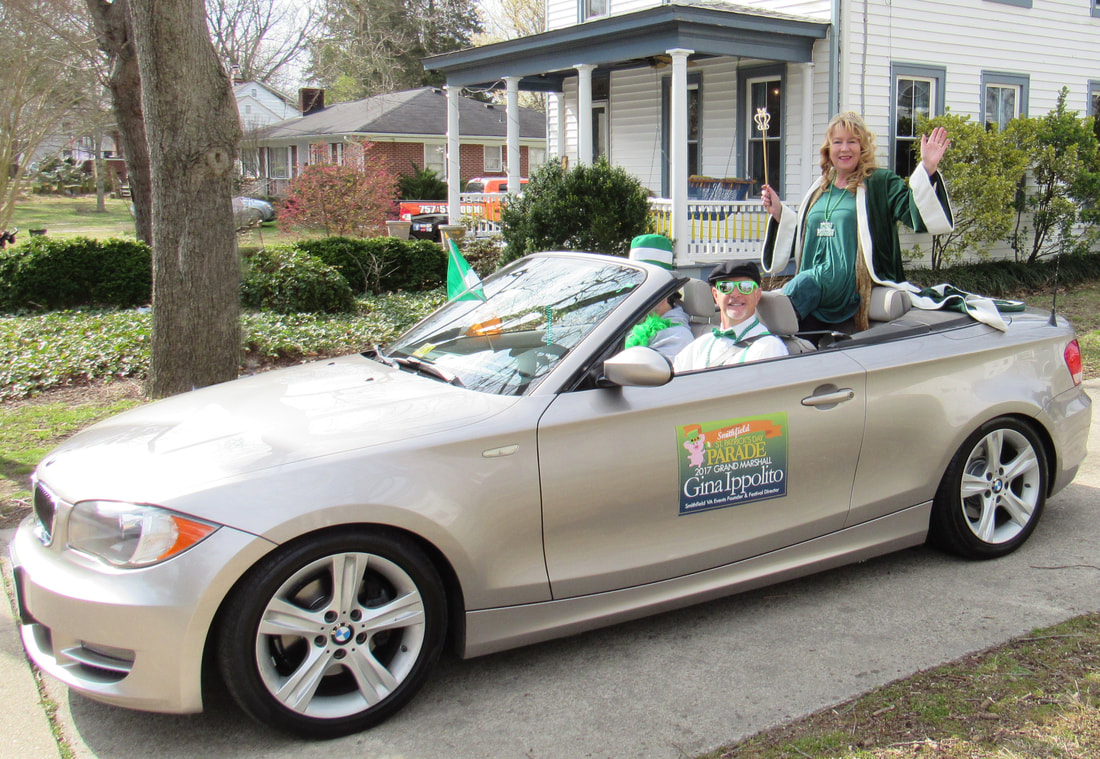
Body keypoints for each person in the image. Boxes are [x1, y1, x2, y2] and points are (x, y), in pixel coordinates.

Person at [759, 112, 953, 332]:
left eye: (852, 141)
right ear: (828, 149)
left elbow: (914, 212)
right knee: (790, 299)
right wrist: (779, 214)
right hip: (814, 279)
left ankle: (768, 332)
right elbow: (808, 236)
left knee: (803, 285)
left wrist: (927, 169)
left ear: (863, 147)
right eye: (838, 142)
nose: (844, 149)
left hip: (851, 281)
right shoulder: (820, 188)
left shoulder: (881, 183)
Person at [673, 261, 788, 372]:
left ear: (757, 295)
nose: (735, 294)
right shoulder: (699, 346)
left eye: (745, 287)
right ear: (716, 296)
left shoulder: (769, 348)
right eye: (726, 287)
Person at [625, 234, 694, 359]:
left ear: (662, 294)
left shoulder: (677, 336)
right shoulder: (622, 325)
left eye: (640, 291)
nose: (632, 299)